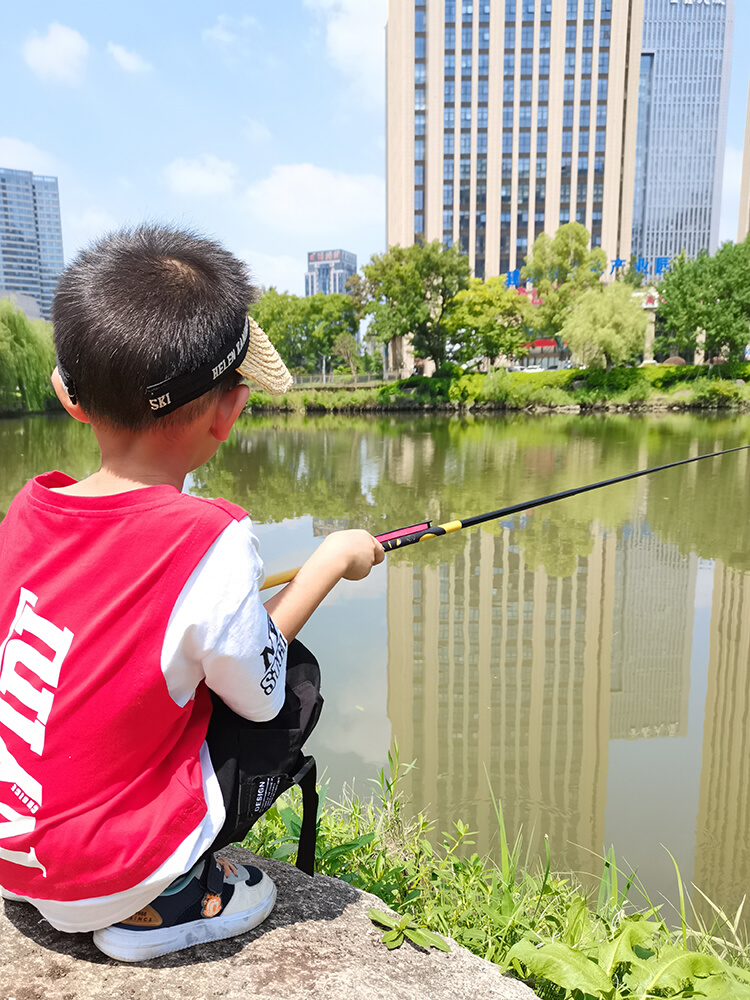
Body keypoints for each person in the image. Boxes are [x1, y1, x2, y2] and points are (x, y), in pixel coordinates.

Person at [0, 225, 384, 962]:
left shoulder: (30, 508)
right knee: (296, 675)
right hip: (102, 876)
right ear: (229, 412)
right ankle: (168, 896)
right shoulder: (208, 538)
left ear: (68, 397)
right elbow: (262, 694)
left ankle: (83, 873)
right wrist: (331, 563)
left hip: (17, 858)